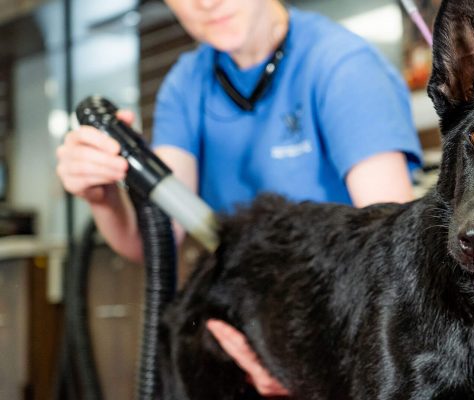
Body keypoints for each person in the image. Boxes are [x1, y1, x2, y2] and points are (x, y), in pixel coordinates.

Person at [56, 0, 422, 395]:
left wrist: (293, 364)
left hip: (337, 348)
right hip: (243, 340)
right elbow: (158, 239)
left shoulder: (343, 66)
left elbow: (397, 268)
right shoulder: (186, 83)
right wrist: (103, 196)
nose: (207, 2)